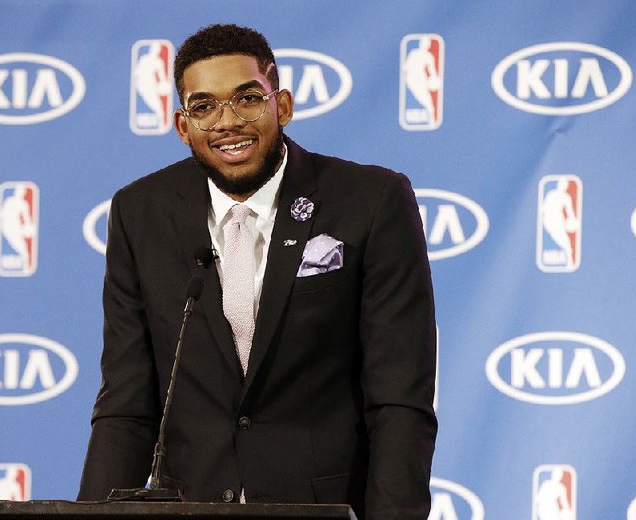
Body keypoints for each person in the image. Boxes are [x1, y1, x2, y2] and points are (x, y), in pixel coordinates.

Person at [78, 24, 437, 519]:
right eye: (204, 107)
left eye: (247, 98)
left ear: (282, 106)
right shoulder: (140, 212)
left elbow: (399, 398)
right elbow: (127, 403)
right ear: (183, 126)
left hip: (325, 508)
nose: (227, 121)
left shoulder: (371, 201)